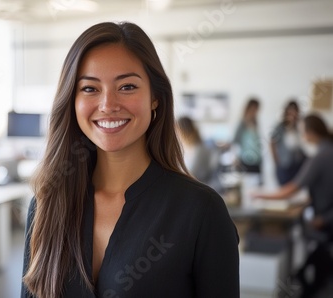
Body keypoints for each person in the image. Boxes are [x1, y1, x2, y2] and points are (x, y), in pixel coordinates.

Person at [21, 22, 239, 298]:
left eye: (126, 86)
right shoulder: (47, 203)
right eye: (90, 89)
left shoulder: (202, 211)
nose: (108, 104)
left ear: (155, 99)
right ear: (71, 100)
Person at [254, 114, 333, 297]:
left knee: (305, 234)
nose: (301, 135)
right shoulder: (327, 150)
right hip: (326, 215)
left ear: (311, 133)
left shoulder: (321, 156)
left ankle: (302, 283)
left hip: (327, 220)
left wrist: (260, 194)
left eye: (302, 131)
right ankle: (304, 277)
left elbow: (292, 189)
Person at [270, 100, 305, 185]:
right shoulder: (279, 127)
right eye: (290, 111)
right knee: (284, 187)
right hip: (284, 165)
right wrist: (276, 161)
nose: (292, 114)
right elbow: (272, 143)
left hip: (298, 164)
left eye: (295, 111)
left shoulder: (300, 126)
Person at [176, 116, 213, 184]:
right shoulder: (186, 147)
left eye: (178, 131)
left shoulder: (199, 149)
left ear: (184, 131)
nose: (176, 135)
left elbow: (191, 172)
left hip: (198, 184)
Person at [233, 98, 262, 175]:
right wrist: (236, 158)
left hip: (256, 160)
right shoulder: (242, 123)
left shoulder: (256, 123)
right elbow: (235, 142)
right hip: (245, 160)